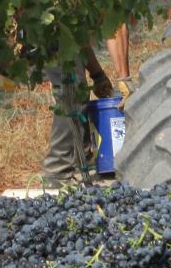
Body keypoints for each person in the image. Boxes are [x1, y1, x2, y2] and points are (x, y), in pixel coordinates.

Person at [42, 44, 116, 189]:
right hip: (52, 34)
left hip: (61, 35)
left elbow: (80, 37)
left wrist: (98, 75)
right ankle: (58, 169)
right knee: (71, 91)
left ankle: (81, 162)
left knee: (76, 91)